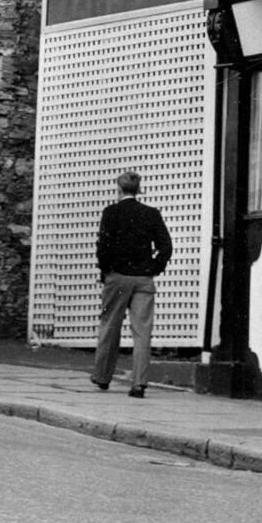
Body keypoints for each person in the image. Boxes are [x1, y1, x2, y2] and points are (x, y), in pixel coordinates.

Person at [90, 169, 172, 398]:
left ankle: (102, 376)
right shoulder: (152, 213)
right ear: (138, 190)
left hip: (117, 277)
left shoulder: (111, 212)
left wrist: (105, 269)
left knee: (110, 325)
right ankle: (139, 383)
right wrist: (154, 267)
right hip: (143, 279)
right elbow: (166, 246)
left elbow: (103, 245)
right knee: (142, 331)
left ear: (119, 189)